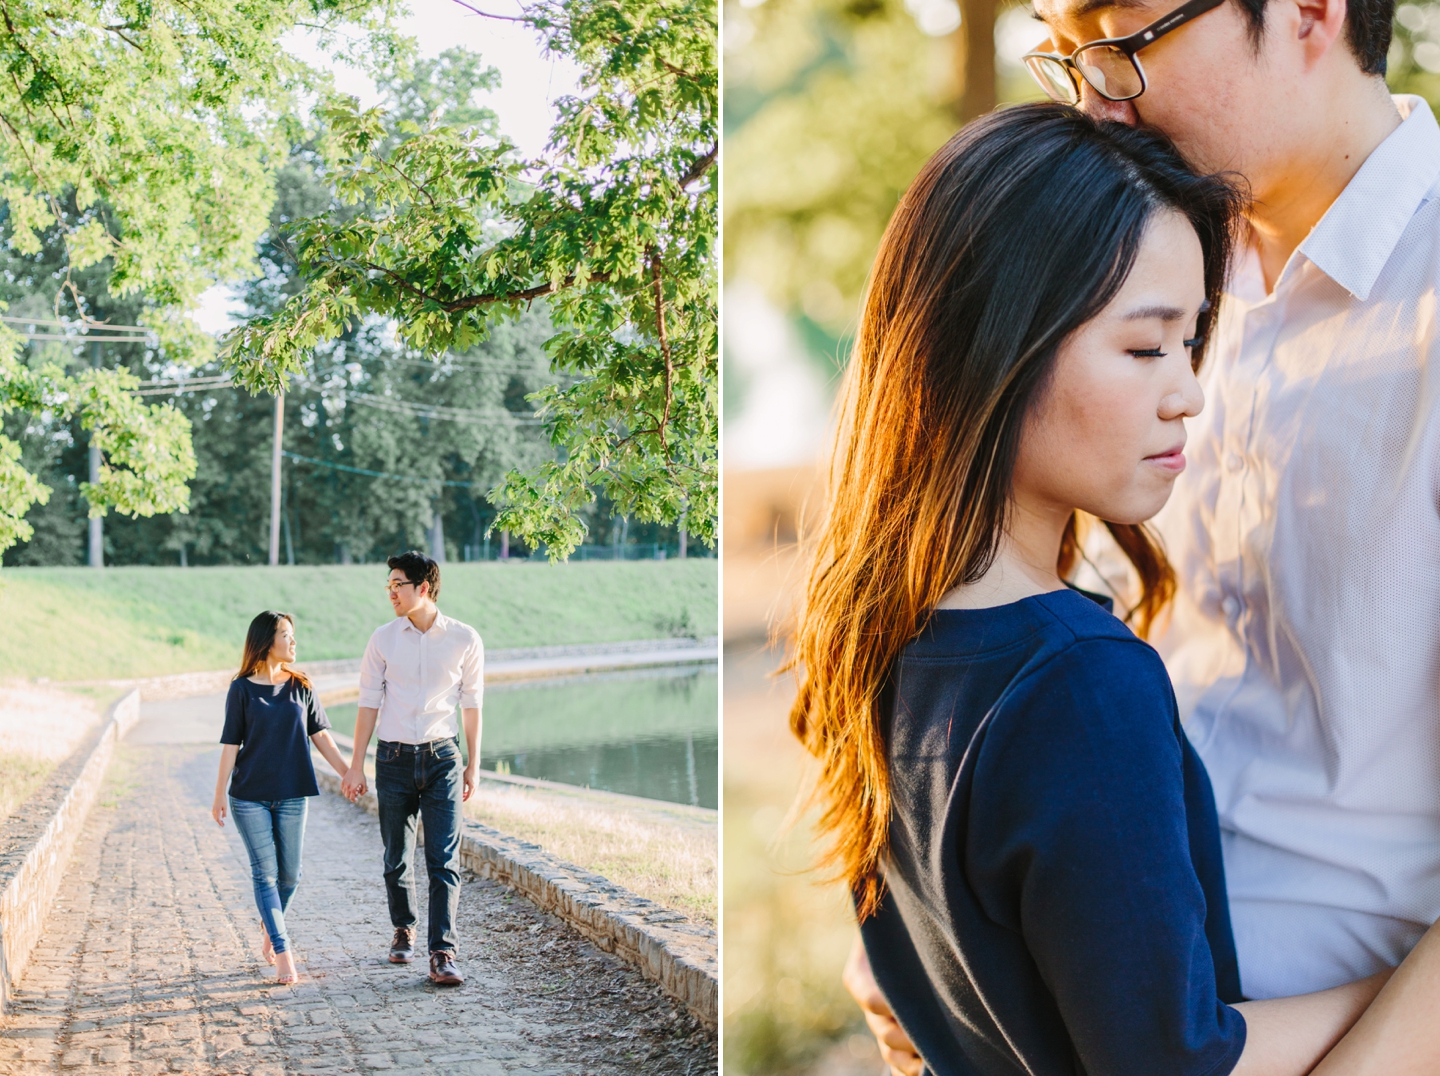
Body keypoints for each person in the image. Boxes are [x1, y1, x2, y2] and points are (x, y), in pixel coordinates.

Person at [790, 103, 1440, 1076]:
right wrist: (1396, 989)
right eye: (1146, 347)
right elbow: (1172, 1061)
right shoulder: (1083, 684)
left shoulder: (884, 638)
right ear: (996, 344)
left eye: (1193, 343)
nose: (1188, 390)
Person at [341, 551, 483, 986]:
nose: (391, 592)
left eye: (398, 584)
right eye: (389, 585)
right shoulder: (383, 639)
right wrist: (355, 766)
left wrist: (473, 766)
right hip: (394, 760)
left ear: (423, 588)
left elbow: (472, 705)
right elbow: (369, 703)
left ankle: (443, 952)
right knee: (396, 858)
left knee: (443, 858)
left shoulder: (464, 639)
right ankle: (404, 927)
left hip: (442, 758)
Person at [212, 610, 352, 985]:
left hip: (292, 794)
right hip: (249, 797)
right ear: (267, 640)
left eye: (293, 635)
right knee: (265, 874)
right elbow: (230, 745)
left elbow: (321, 735)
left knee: (290, 875)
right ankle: (282, 951)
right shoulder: (240, 689)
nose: (293, 642)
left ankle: (269, 919)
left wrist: (349, 772)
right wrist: (219, 794)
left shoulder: (301, 685)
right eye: (286, 635)